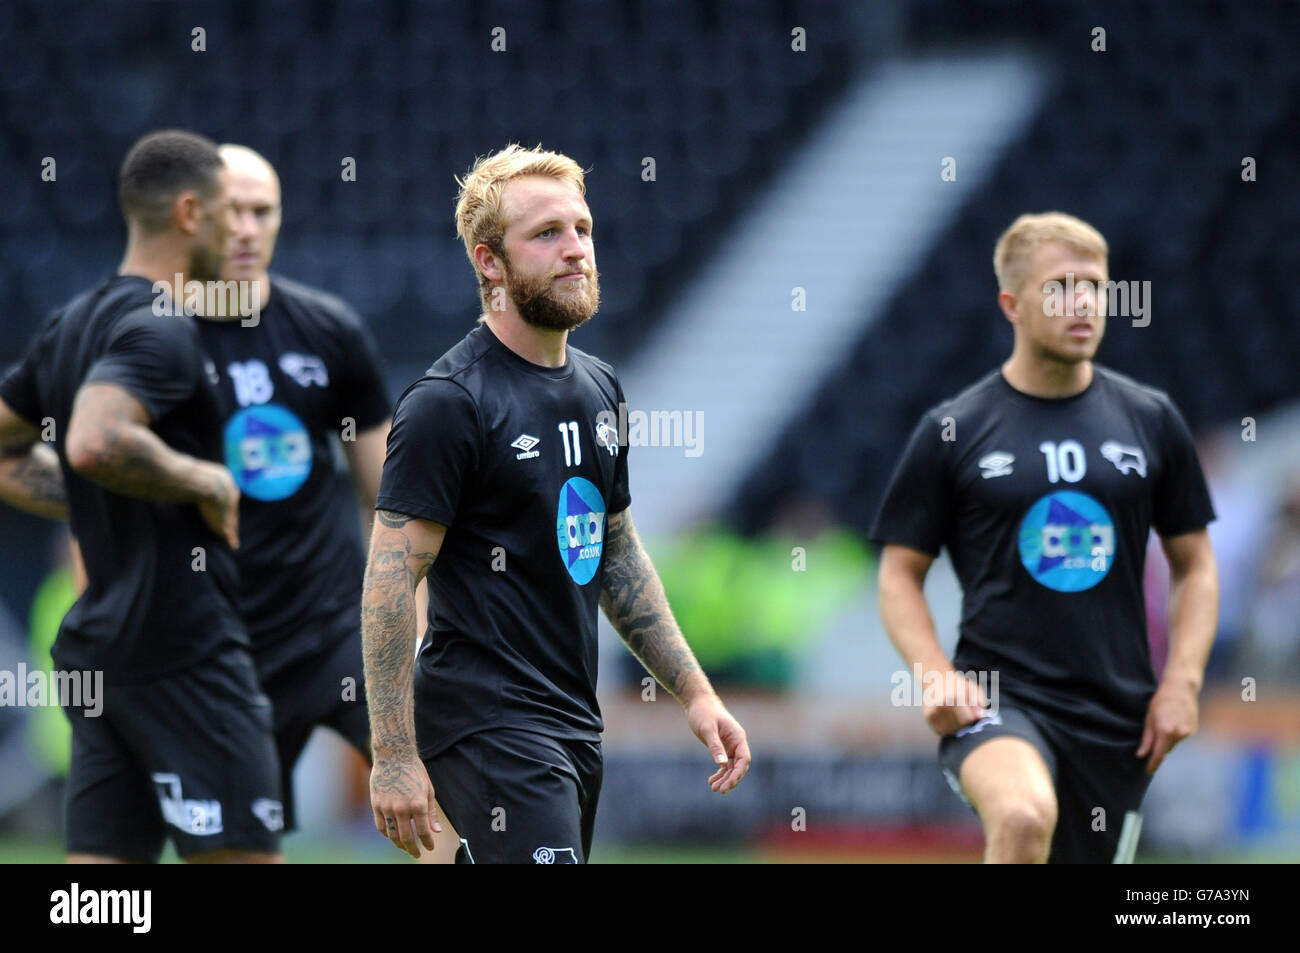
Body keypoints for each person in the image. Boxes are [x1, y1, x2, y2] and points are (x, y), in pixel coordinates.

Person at [362, 144, 751, 863]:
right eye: (546, 234)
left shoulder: (601, 388)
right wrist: (391, 754)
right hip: (486, 722)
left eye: (583, 228)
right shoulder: (450, 403)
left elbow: (617, 555)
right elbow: (389, 580)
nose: (575, 249)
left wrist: (696, 693)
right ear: (489, 262)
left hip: (573, 722)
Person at [872, 212, 1219, 863]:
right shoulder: (954, 430)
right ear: (1012, 304)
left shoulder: (1152, 421)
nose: (1083, 302)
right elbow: (898, 573)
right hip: (998, 699)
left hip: (1118, 715)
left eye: (1095, 286)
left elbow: (1195, 566)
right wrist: (935, 676)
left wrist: (1183, 682)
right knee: (1024, 816)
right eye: (1061, 287)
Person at [0, 129, 283, 863]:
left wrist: (102, 500)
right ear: (190, 213)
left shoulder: (69, 325)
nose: (241, 231)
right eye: (228, 212)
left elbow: (7, 447)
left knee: (103, 895)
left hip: (105, 662)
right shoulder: (164, 327)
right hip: (186, 650)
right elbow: (95, 439)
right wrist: (205, 479)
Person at [193, 144, 395, 840]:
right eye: (230, 211)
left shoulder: (330, 332)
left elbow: (393, 500)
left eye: (262, 210)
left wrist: (412, 626)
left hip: (335, 626)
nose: (247, 227)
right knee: (238, 845)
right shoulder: (151, 343)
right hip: (218, 648)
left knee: (440, 778)